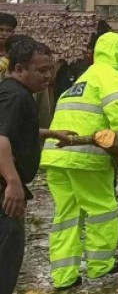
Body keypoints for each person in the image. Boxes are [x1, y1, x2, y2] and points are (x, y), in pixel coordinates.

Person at [40, 31, 118, 290]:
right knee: (102, 209)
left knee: (66, 215)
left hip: (57, 155)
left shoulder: (83, 78)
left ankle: (64, 277)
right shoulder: (110, 76)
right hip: (85, 159)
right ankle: (101, 265)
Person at [0, 37, 74, 294]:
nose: (48, 76)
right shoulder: (15, 96)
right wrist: (12, 182)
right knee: (6, 258)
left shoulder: (14, 93)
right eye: (41, 70)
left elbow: (19, 131)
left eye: (50, 69)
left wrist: (51, 134)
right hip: (4, 190)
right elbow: (1, 139)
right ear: (19, 69)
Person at [0, 13, 17, 80]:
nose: (4, 33)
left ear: (13, 33)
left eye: (8, 30)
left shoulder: (17, 54)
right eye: (1, 30)